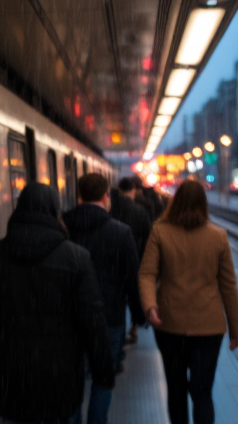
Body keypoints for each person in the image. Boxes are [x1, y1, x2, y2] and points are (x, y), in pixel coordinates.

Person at [0, 182, 115, 424]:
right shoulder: (76, 258)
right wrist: (104, 371)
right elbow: (93, 320)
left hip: (11, 375)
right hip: (61, 375)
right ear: (54, 211)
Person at [139, 179, 238, 424]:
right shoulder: (218, 237)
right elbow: (228, 286)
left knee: (175, 389)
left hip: (169, 324)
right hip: (208, 328)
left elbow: (147, 273)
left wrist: (150, 305)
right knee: (202, 391)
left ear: (175, 202)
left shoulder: (160, 232)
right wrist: (236, 328)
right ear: (203, 204)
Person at [63, 173, 142, 424]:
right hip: (110, 316)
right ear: (106, 197)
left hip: (69, 318)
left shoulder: (63, 227)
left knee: (71, 377)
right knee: (104, 377)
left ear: (79, 196)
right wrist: (139, 315)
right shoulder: (120, 233)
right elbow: (132, 279)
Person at [112, 177, 151, 345]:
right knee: (134, 296)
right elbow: (148, 238)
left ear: (119, 190)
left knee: (117, 298)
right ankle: (135, 326)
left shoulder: (111, 209)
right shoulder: (140, 211)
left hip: (113, 261)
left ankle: (118, 336)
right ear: (133, 191)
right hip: (136, 260)